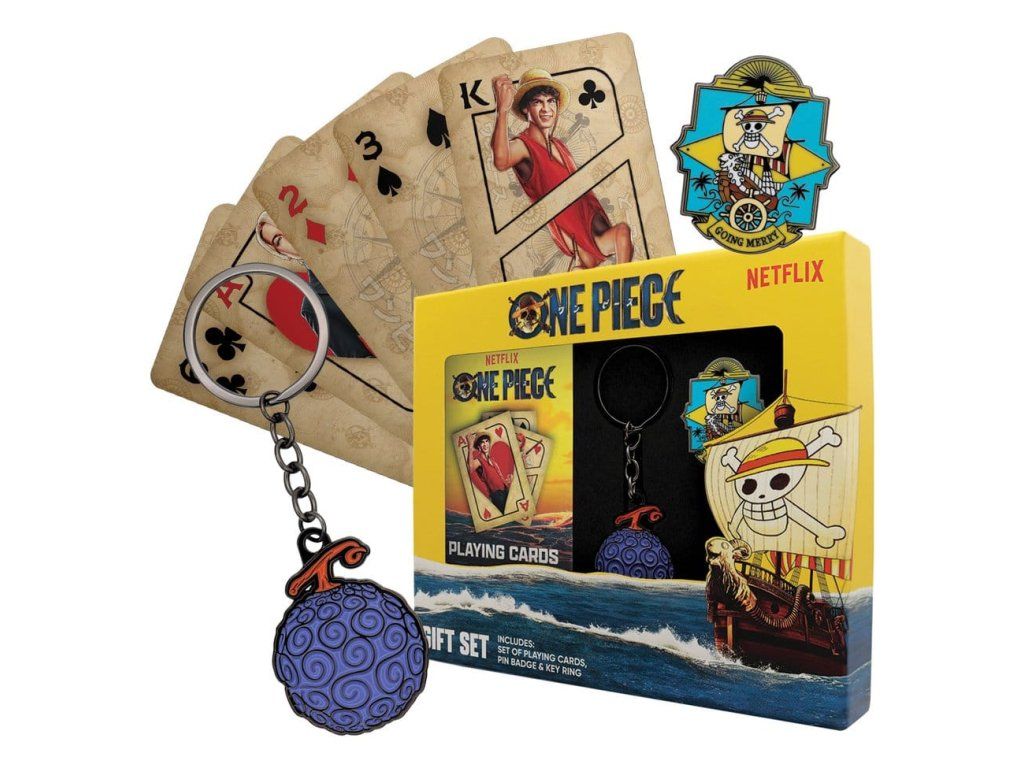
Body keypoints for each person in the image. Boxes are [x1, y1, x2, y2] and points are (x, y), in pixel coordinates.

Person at [490, 68, 633, 269]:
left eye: (551, 101)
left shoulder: (560, 146)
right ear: (525, 109)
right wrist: (502, 111)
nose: (546, 108)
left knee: (623, 233)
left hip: (594, 227)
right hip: (574, 236)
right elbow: (501, 160)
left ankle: (620, 282)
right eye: (537, 102)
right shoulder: (523, 145)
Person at [255, 212, 371, 358]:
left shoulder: (355, 230)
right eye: (278, 240)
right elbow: (360, 359)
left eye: (287, 225)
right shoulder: (315, 306)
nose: (288, 235)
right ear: (283, 254)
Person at [469, 433, 511, 511]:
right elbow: (470, 468)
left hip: (506, 491)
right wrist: (470, 446)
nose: (485, 444)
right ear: (479, 446)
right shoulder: (479, 460)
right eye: (482, 442)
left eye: (486, 441)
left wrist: (507, 481)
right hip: (497, 495)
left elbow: (499, 477)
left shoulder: (492, 460)